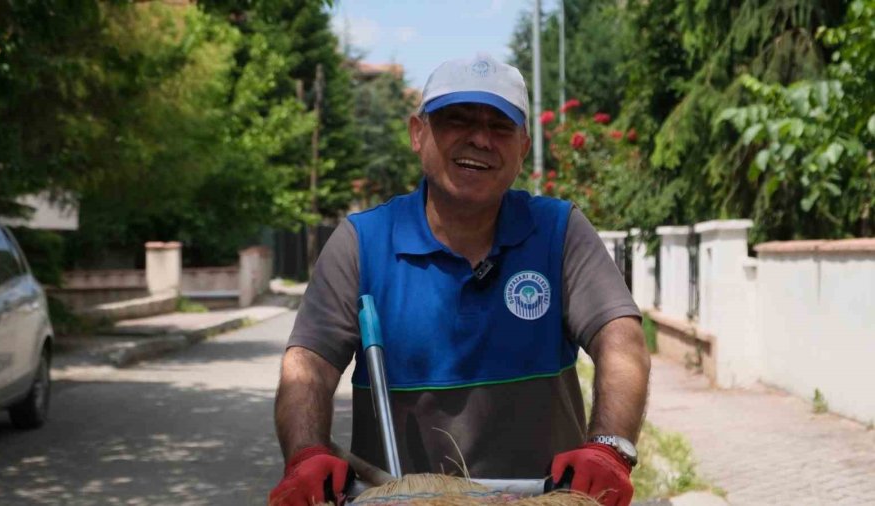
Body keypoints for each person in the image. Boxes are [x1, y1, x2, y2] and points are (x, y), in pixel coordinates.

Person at [269, 53, 651, 506]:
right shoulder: (363, 242)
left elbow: (622, 341)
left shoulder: (558, 232)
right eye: (458, 120)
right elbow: (307, 365)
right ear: (418, 133)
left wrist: (610, 448)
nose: (480, 139)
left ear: (524, 145)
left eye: (500, 126)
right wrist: (306, 454)